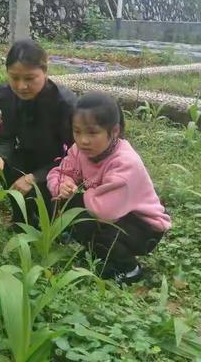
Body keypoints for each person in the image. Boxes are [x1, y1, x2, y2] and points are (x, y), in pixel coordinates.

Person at [47, 92, 171, 284]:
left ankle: (129, 269)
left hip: (143, 226)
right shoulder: (80, 151)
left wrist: (77, 196)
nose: (83, 140)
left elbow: (106, 212)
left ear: (114, 132)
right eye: (77, 131)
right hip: (113, 212)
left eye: (92, 133)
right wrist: (62, 185)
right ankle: (98, 255)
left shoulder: (125, 162)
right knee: (67, 205)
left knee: (87, 219)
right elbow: (60, 173)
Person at [0, 39, 76, 229]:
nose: (21, 86)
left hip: (58, 166)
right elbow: (4, 136)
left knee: (51, 221)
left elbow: (74, 156)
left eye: (29, 78)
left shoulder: (64, 103)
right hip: (27, 154)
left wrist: (34, 177)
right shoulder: (5, 95)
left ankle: (56, 220)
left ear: (45, 71)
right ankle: (21, 220)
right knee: (4, 166)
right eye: (14, 78)